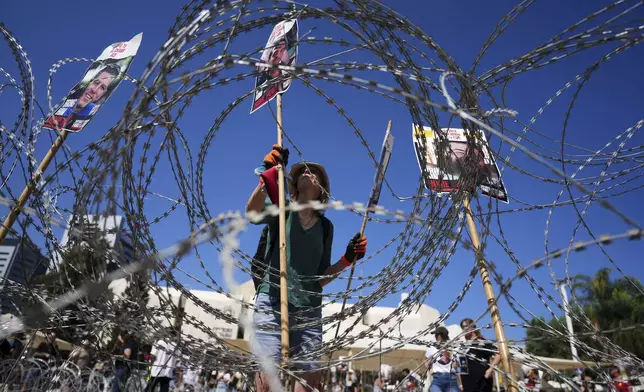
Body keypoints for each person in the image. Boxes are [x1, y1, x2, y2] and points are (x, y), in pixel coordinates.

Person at [246, 146, 368, 392]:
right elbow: (253, 213)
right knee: (266, 382)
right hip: (271, 300)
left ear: (322, 187)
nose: (308, 172)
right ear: (295, 183)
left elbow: (321, 277)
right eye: (303, 171)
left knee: (309, 383)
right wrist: (265, 178)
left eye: (314, 172)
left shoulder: (326, 228)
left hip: (309, 310)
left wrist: (347, 259)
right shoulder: (283, 210)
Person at [44, 65, 119, 131]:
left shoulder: (86, 118)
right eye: (96, 82)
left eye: (102, 88)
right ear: (90, 82)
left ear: (102, 95)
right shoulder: (65, 103)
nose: (94, 90)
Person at [458, 318, 501, 392]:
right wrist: (461, 384)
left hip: (482, 384)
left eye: (466, 326)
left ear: (473, 327)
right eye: (462, 327)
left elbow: (499, 354)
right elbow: (462, 367)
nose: (464, 329)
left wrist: (491, 369)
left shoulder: (480, 342)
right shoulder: (463, 347)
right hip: (467, 386)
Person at [425, 326, 461, 392]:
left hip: (451, 379)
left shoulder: (453, 347)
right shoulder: (432, 348)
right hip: (438, 379)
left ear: (440, 336)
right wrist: (430, 369)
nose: (435, 337)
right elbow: (426, 361)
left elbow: (457, 365)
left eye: (436, 335)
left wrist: (460, 384)